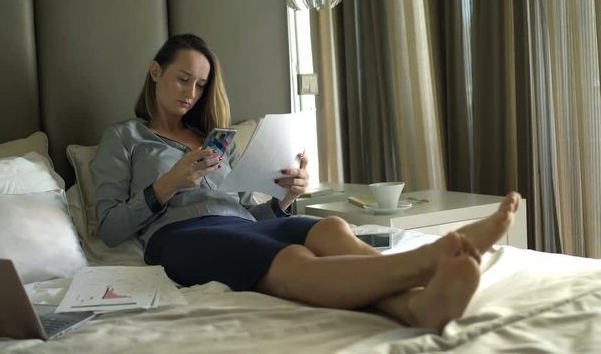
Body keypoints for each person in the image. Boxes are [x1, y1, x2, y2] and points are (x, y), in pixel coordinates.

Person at [90, 33, 522, 331]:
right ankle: (424, 263)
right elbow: (109, 229)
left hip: (244, 222)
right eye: (183, 79)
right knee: (293, 255)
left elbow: (241, 205)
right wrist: (168, 183)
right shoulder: (123, 138)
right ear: (154, 72)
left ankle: (416, 305)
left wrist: (284, 198)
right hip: (180, 236)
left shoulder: (214, 140)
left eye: (201, 85)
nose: (191, 92)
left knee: (331, 228)